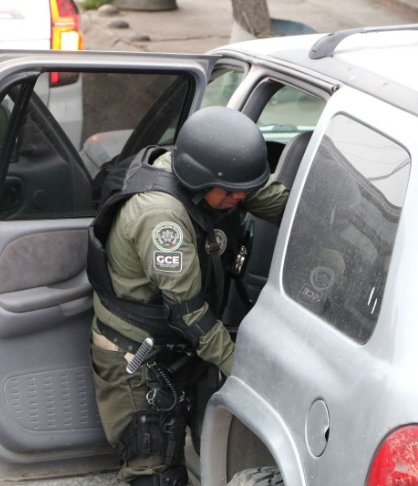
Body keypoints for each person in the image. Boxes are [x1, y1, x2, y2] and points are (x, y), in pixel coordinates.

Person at [87, 106, 289, 486]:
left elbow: (282, 204)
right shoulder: (161, 217)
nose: (239, 197)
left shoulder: (216, 177)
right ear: (200, 179)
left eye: (243, 190)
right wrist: (244, 372)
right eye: (231, 192)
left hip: (177, 346)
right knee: (154, 471)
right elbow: (189, 314)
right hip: (137, 355)